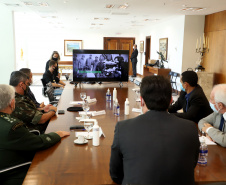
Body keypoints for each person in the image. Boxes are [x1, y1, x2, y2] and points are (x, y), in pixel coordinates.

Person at [110, 75, 200, 185]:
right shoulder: (190, 128)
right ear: (171, 100)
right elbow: (192, 164)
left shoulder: (123, 128)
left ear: (142, 100)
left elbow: (116, 175)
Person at [0, 84, 70, 185]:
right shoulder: (13, 127)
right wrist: (57, 134)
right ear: (12, 103)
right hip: (13, 171)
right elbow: (38, 142)